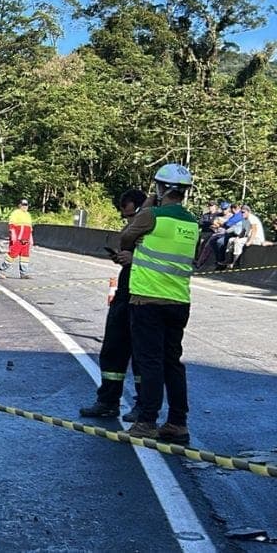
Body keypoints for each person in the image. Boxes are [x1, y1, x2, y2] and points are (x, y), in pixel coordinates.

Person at [117, 164, 198, 444]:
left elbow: (126, 237)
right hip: (178, 300)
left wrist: (147, 207)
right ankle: (177, 422)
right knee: (172, 361)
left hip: (147, 299)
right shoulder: (192, 222)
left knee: (149, 361)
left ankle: (147, 421)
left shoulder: (151, 215)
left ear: (160, 188)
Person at [79, 188, 147, 421]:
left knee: (142, 356)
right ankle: (108, 401)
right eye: (124, 217)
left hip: (146, 296)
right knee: (113, 349)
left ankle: (143, 406)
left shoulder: (153, 225)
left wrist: (136, 259)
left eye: (130, 216)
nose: (127, 221)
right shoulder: (135, 228)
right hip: (126, 291)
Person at [0, 198, 33, 279]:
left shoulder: (28, 215)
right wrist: (13, 235)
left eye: (26, 205)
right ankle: (1, 270)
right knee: (12, 255)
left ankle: (23, 274)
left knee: (25, 257)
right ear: (19, 205)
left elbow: (30, 228)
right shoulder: (15, 213)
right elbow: (11, 225)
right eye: (23, 205)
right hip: (17, 240)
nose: (25, 206)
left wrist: (30, 239)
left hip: (26, 240)